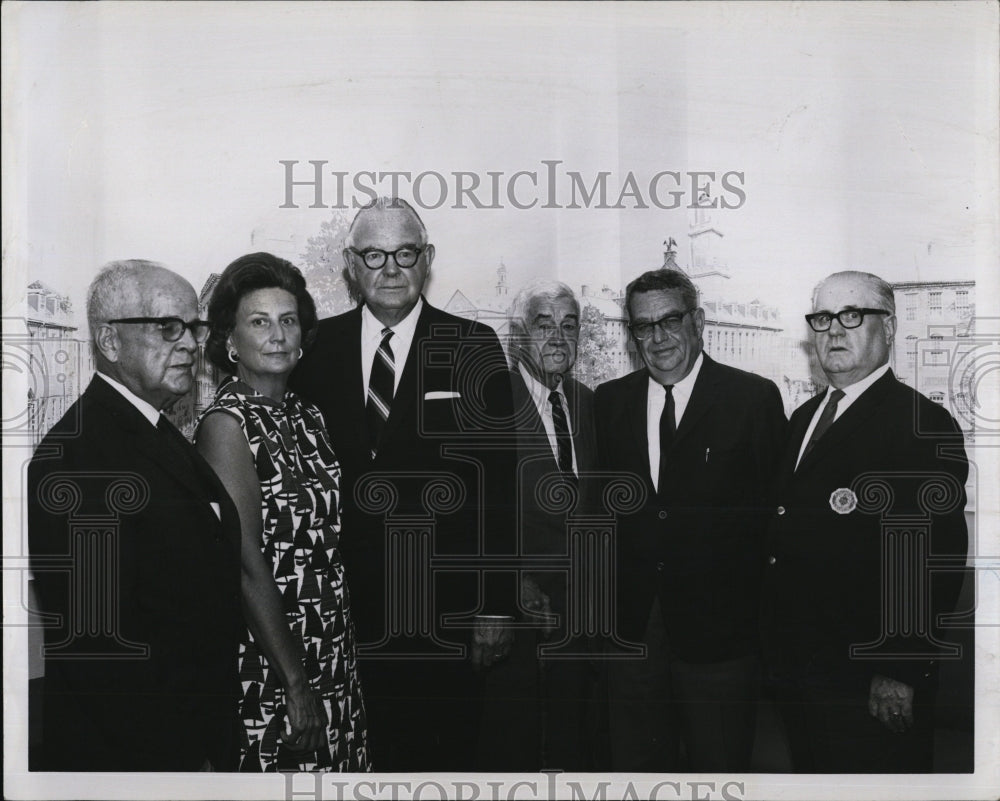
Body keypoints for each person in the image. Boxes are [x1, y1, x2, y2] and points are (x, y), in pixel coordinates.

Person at [290, 197, 516, 771]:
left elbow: (499, 486)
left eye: (405, 252)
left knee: (446, 762)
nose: (390, 268)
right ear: (350, 263)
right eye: (374, 254)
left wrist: (494, 604)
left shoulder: (473, 346)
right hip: (343, 612)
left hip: (446, 613)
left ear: (427, 258)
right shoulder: (316, 351)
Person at [27, 260, 243, 771]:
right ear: (109, 341)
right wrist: (188, 763)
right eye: (169, 327)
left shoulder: (154, 430)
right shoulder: (76, 458)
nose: (190, 342)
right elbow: (101, 655)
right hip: (137, 761)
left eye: (194, 326)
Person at [760, 270, 969, 772]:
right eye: (823, 317)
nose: (834, 330)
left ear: (890, 328)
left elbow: (931, 559)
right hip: (801, 666)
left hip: (870, 676)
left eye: (852, 316)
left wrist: (899, 668)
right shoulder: (804, 417)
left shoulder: (921, 424)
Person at [594, 268, 786, 772]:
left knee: (718, 773)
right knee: (636, 772)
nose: (656, 338)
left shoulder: (753, 399)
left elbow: (776, 521)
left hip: (722, 640)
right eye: (642, 326)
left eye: (670, 321)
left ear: (698, 322)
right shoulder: (610, 403)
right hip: (632, 635)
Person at [195, 253, 369, 772]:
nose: (277, 335)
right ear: (230, 341)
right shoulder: (226, 425)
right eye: (259, 322)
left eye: (288, 321)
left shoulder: (307, 414)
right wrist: (295, 685)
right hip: (273, 660)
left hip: (333, 648)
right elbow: (247, 566)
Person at [478, 279, 600, 771]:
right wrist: (509, 582)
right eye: (543, 324)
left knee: (575, 754)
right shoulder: (486, 401)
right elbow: (462, 511)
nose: (557, 337)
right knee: (513, 755)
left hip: (583, 625)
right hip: (515, 622)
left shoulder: (589, 402)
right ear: (515, 336)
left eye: (568, 325)